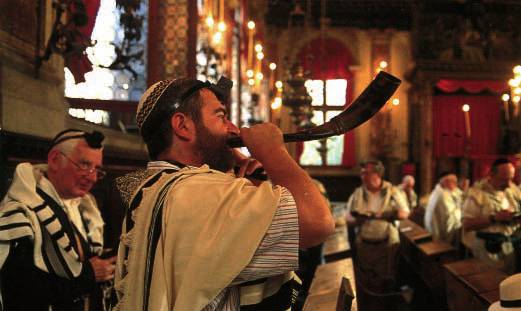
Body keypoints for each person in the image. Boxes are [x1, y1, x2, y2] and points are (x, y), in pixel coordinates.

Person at [113, 77, 334, 310]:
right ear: (183, 126)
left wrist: (252, 185)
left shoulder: (154, 187)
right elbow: (317, 223)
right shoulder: (197, 192)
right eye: (220, 116)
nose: (233, 129)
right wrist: (274, 151)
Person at [0, 129, 116, 310]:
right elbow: (18, 288)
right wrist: (88, 275)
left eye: (97, 170)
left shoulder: (85, 208)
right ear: (54, 160)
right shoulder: (21, 213)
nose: (92, 177)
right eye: (84, 165)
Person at [345, 160, 410, 310]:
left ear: (377, 174)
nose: (362, 176)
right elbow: (347, 217)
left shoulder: (392, 191)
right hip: (364, 244)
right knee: (366, 283)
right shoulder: (358, 193)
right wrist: (357, 219)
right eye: (361, 173)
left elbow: (405, 213)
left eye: (365, 173)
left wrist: (383, 214)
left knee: (385, 282)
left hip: (386, 245)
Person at [462, 158, 521, 274]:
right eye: (504, 180)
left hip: (509, 245)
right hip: (487, 249)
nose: (509, 184)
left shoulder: (512, 191)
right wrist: (494, 218)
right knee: (489, 283)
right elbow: (466, 225)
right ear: (492, 175)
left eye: (511, 179)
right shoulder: (476, 194)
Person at [424, 172, 463, 246]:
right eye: (454, 182)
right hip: (439, 236)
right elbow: (451, 216)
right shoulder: (443, 195)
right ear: (445, 182)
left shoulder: (439, 190)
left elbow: (459, 193)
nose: (456, 184)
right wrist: (461, 211)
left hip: (433, 230)